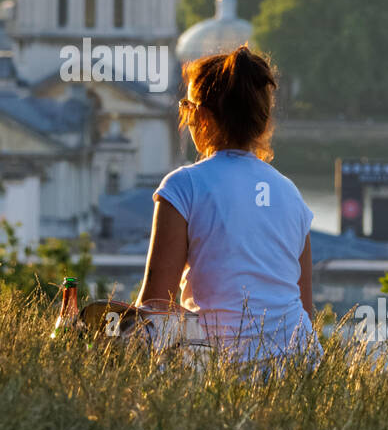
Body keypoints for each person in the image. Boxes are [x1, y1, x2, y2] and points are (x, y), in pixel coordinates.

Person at [136, 45, 322, 368]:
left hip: (221, 366)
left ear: (204, 119)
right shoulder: (291, 194)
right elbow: (305, 310)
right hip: (299, 363)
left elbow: (155, 305)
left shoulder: (183, 186)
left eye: (187, 106)